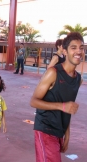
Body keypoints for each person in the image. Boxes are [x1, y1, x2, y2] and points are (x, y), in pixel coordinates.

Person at [30, 32, 84, 162]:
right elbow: (33, 101)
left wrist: (67, 133)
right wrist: (62, 106)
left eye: (81, 48)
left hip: (59, 130)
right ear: (64, 51)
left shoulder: (78, 79)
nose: (79, 51)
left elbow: (68, 109)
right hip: (45, 129)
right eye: (73, 47)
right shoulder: (53, 72)